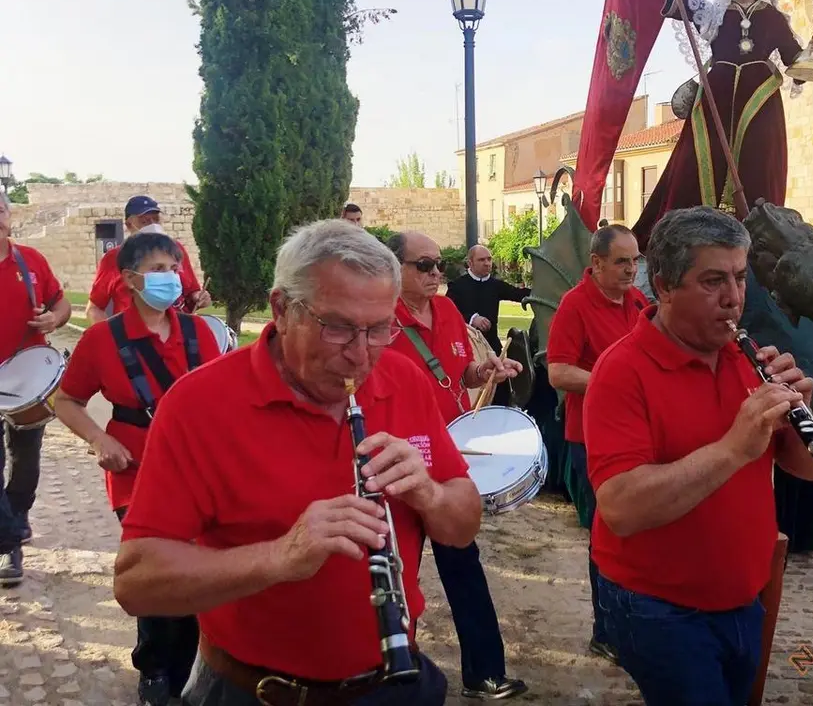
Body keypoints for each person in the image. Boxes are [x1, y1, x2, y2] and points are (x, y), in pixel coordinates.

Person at [113, 221, 482, 706]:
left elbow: (463, 525)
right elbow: (137, 584)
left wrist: (430, 494)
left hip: (394, 681)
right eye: (338, 327)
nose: (360, 355)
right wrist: (282, 555)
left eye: (378, 329)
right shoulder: (199, 404)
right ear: (282, 309)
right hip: (254, 690)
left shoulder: (404, 379)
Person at [584, 206, 813, 706]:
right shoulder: (621, 371)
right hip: (660, 607)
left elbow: (807, 470)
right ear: (666, 285)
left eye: (740, 277)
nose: (734, 298)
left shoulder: (748, 358)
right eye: (713, 281)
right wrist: (734, 448)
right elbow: (622, 509)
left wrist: (804, 416)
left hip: (743, 595)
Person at [56, 231, 222, 705]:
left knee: (199, 574)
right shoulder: (101, 340)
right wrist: (99, 438)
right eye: (158, 270)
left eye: (174, 269)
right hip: (137, 474)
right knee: (158, 572)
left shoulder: (198, 333)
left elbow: (218, 398)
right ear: (130, 279)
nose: (170, 279)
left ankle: (193, 669)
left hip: (198, 472)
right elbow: (66, 400)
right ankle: (154, 670)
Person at [385, 231, 528, 701]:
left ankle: (484, 671)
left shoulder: (447, 311)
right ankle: (395, 669)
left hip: (447, 457)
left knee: (463, 562)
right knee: (394, 569)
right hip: (399, 461)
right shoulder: (380, 321)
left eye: (438, 264)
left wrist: (485, 372)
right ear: (395, 268)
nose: (435, 273)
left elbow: (459, 372)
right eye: (423, 265)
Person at [632, 0, 806, 250]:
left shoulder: (773, 17)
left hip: (759, 102)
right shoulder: (715, 12)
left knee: (758, 164)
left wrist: (811, 55)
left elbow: (794, 61)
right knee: (695, 162)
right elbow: (678, 1)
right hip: (716, 97)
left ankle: (757, 243)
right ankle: (684, 239)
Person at [545, 224, 649, 665]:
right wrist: (614, 384)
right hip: (590, 440)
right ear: (597, 264)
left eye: (636, 260)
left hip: (639, 436)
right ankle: (605, 631)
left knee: (640, 534)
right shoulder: (574, 305)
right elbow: (558, 372)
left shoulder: (639, 302)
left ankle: (637, 624)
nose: (632, 270)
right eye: (622, 261)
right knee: (606, 537)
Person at [0, 190, 72, 586]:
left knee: (25, 457)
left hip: (28, 377)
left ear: (10, 215)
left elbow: (62, 305)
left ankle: (16, 517)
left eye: (1, 208)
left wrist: (53, 321)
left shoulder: (31, 261)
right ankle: (8, 542)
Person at [86, 196, 211, 323]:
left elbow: (192, 292)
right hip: (131, 334)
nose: (152, 225)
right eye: (144, 221)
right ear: (129, 224)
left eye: (155, 220)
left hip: (178, 331)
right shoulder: (114, 257)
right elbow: (95, 308)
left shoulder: (176, 249)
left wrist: (199, 297)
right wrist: (109, 336)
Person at [446, 245, 530, 406]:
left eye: (489, 259)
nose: (487, 263)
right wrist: (472, 319)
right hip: (466, 351)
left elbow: (520, 295)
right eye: (481, 260)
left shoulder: (496, 285)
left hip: (492, 347)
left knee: (500, 394)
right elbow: (446, 316)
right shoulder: (457, 287)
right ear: (470, 263)